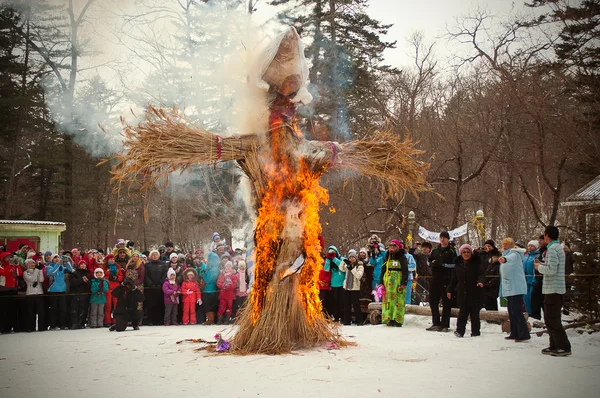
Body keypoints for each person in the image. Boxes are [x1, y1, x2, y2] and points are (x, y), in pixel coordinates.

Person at [534, 226, 571, 357]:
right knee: (549, 319)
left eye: (544, 236)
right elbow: (552, 266)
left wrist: (539, 267)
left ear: (547, 236)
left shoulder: (553, 249)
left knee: (553, 319)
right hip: (552, 289)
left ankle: (563, 346)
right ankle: (554, 344)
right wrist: (542, 264)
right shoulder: (555, 248)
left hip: (554, 290)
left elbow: (552, 270)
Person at [447, 244, 485, 337]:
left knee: (474, 314)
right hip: (462, 292)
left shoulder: (476, 263)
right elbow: (454, 279)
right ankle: (460, 331)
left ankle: (475, 332)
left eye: (468, 252)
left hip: (474, 291)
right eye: (464, 252)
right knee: (462, 313)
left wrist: (480, 282)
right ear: (461, 254)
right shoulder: (458, 265)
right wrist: (450, 290)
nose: (466, 254)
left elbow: (481, 274)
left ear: (471, 253)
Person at [499, 238, 530, 342]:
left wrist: (504, 259)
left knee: (516, 310)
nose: (504, 246)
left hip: (516, 286)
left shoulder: (514, 254)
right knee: (511, 310)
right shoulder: (507, 254)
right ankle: (514, 332)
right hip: (510, 286)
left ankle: (524, 333)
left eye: (507, 244)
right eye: (503, 244)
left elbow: (510, 259)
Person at [426, 231, 456, 332]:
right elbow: (429, 260)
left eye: (444, 238)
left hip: (446, 278)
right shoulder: (435, 250)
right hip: (435, 277)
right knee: (433, 300)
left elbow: (454, 265)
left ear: (448, 239)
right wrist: (432, 263)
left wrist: (443, 265)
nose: (442, 240)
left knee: (446, 301)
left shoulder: (451, 251)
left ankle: (445, 324)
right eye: (441, 238)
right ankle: (436, 322)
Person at [380, 240, 409, 327]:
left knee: (398, 300)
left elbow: (405, 270)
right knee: (388, 300)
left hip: (398, 282)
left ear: (398, 247)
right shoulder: (387, 256)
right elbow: (383, 269)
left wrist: (404, 282)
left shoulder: (402, 257)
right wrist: (381, 281)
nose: (392, 247)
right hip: (388, 282)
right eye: (390, 245)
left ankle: (397, 319)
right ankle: (389, 318)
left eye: (394, 245)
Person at [46, 254, 73, 330]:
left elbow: (70, 270)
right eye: (55, 258)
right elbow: (52, 272)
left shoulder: (61, 267)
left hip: (62, 290)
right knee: (54, 309)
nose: (57, 259)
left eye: (57, 257)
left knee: (63, 308)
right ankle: (53, 325)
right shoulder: (49, 267)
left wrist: (66, 261)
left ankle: (62, 324)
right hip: (53, 290)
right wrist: (57, 264)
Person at [340, 250, 365, 325]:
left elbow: (358, 276)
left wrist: (352, 269)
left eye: (353, 257)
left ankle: (359, 320)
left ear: (356, 258)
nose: (351, 259)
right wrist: (343, 261)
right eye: (350, 257)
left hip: (355, 288)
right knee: (346, 305)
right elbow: (341, 268)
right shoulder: (347, 266)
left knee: (356, 305)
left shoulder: (360, 266)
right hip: (346, 287)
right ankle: (347, 320)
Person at [144, 250, 167, 325]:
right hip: (150, 288)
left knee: (160, 303)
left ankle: (160, 320)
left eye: (156, 255)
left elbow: (165, 274)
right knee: (151, 304)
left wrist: (161, 282)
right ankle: (151, 320)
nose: (155, 256)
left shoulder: (163, 264)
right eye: (153, 255)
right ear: (151, 256)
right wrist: (150, 283)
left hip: (160, 287)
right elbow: (146, 275)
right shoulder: (147, 265)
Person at [201, 243, 223, 325]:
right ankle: (211, 319)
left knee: (209, 305)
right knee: (209, 305)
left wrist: (203, 274)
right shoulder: (211, 268)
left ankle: (211, 319)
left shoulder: (214, 269)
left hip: (210, 290)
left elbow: (208, 280)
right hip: (209, 290)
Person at [324, 246, 345, 322]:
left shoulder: (342, 259)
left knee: (342, 301)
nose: (332, 254)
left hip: (342, 283)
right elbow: (326, 269)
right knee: (335, 302)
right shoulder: (330, 260)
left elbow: (342, 266)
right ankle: (336, 317)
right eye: (331, 253)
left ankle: (343, 317)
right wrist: (328, 259)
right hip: (334, 284)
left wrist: (334, 259)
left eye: (333, 252)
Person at [23, 259, 45, 332]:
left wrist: (40, 271)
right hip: (30, 293)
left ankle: (41, 327)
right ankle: (30, 327)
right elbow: (32, 279)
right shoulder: (25, 273)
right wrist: (36, 271)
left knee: (41, 311)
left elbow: (41, 280)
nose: (32, 264)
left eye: (33, 263)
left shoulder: (38, 271)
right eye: (30, 263)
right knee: (30, 311)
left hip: (39, 293)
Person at [69, 260, 92, 329]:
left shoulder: (88, 274)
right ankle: (74, 323)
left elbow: (90, 285)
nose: (83, 266)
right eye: (81, 264)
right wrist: (81, 280)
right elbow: (72, 283)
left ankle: (82, 323)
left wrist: (87, 281)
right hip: (76, 294)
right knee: (75, 310)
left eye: (84, 264)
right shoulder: (74, 273)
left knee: (84, 310)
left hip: (85, 295)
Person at [104, 254, 124, 327]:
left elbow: (121, 276)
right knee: (108, 305)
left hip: (116, 287)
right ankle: (107, 321)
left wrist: (117, 278)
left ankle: (116, 320)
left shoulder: (117, 267)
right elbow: (102, 276)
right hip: (108, 286)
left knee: (116, 305)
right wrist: (108, 275)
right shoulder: (105, 267)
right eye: (110, 259)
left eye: (113, 259)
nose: (112, 260)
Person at [529, 235, 546, 320]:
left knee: (543, 300)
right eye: (539, 240)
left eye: (541, 240)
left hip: (545, 278)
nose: (540, 241)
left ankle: (546, 317)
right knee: (534, 298)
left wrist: (540, 265)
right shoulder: (540, 252)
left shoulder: (547, 251)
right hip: (537, 278)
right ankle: (535, 315)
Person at [217, 260, 238, 325]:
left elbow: (235, 284)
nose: (228, 268)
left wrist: (228, 286)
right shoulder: (221, 275)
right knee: (221, 307)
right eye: (227, 267)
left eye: (229, 267)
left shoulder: (233, 276)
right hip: (223, 295)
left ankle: (227, 320)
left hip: (230, 295)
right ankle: (219, 320)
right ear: (225, 268)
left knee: (229, 307)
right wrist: (223, 286)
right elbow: (218, 283)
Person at [523, 240, 540, 316]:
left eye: (532, 246)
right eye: (529, 245)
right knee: (525, 298)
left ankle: (533, 313)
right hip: (524, 279)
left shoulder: (537, 256)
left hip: (532, 279)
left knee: (531, 298)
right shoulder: (526, 256)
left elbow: (535, 269)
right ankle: (526, 312)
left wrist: (534, 278)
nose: (530, 247)